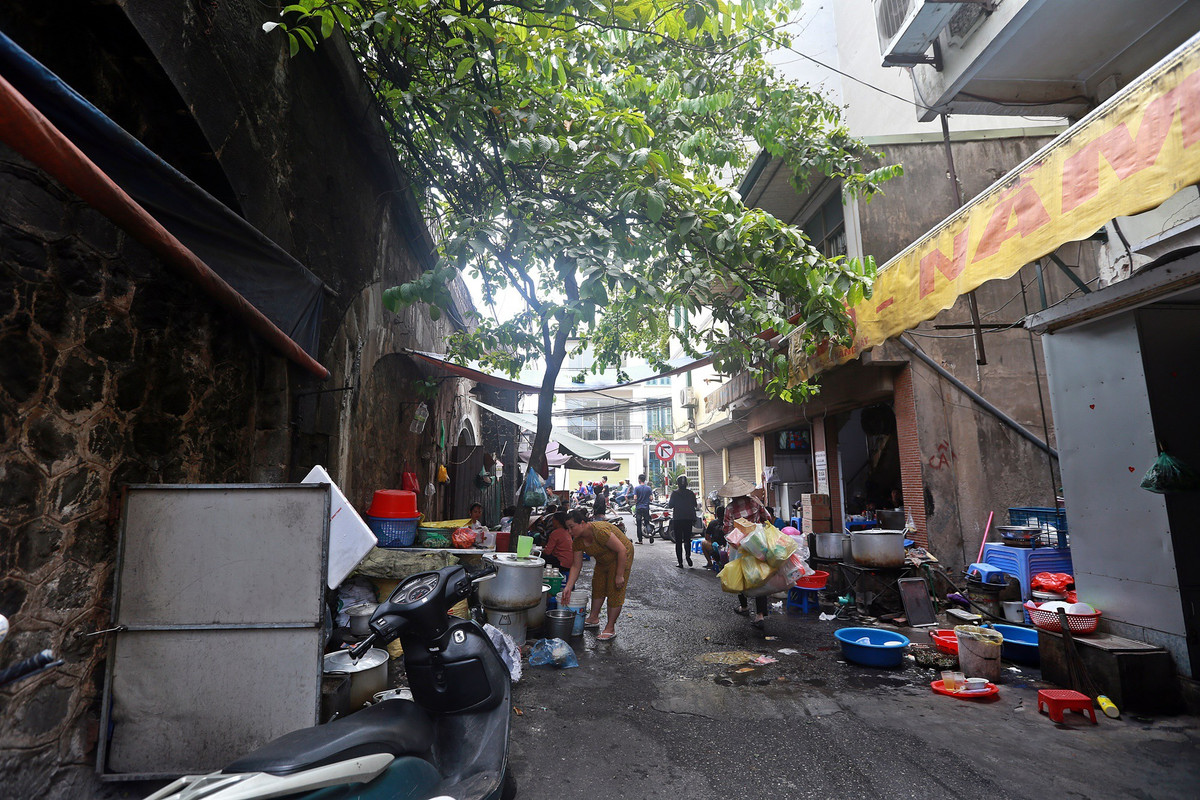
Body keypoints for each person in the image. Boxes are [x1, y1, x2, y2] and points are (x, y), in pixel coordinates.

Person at [562, 509, 633, 641]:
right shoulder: (577, 541)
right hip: (603, 559)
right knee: (598, 585)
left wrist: (619, 575)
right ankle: (593, 618)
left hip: (621, 555)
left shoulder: (599, 531)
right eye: (568, 529)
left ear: (582, 523)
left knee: (614, 589)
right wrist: (568, 587)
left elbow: (622, 550)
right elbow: (576, 566)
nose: (570, 532)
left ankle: (610, 628)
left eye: (572, 527)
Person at [720, 477, 773, 630]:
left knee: (741, 576)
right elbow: (768, 518)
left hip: (740, 547)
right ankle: (760, 615)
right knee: (759, 576)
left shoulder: (730, 508)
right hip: (758, 544)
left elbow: (727, 530)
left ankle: (743, 607)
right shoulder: (755, 502)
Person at [667, 475, 698, 568]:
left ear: (678, 484)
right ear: (687, 484)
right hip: (688, 519)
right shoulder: (691, 493)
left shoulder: (675, 493)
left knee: (678, 541)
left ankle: (680, 562)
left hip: (678, 519)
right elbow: (695, 505)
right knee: (687, 539)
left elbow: (670, 505)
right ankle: (688, 555)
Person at [701, 505, 726, 569]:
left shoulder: (712, 523)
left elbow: (707, 537)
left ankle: (710, 563)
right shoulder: (728, 522)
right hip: (727, 547)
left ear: (716, 514)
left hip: (716, 548)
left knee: (703, 543)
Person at [632, 473, 655, 544]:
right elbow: (651, 498)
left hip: (639, 508)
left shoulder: (636, 488)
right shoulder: (648, 488)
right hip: (646, 507)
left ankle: (640, 540)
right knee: (647, 522)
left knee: (639, 524)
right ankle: (650, 533)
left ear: (639, 480)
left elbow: (635, 498)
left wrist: (637, 501)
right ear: (644, 480)